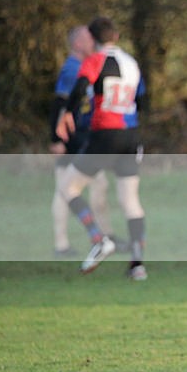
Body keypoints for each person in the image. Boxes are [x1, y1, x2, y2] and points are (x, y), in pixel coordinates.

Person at [55, 16, 148, 280]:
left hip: (105, 135)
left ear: (93, 40)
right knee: (131, 201)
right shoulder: (131, 63)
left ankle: (99, 239)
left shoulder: (94, 60)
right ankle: (138, 265)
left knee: (68, 188)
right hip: (131, 136)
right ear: (116, 37)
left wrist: (67, 114)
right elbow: (141, 98)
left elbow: (80, 87)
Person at [49, 26, 115, 257]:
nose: (93, 42)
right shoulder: (71, 68)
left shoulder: (88, 66)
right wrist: (56, 139)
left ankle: (103, 236)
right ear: (77, 43)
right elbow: (60, 104)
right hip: (71, 141)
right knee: (64, 190)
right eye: (89, 39)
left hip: (85, 138)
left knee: (98, 185)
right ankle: (62, 244)